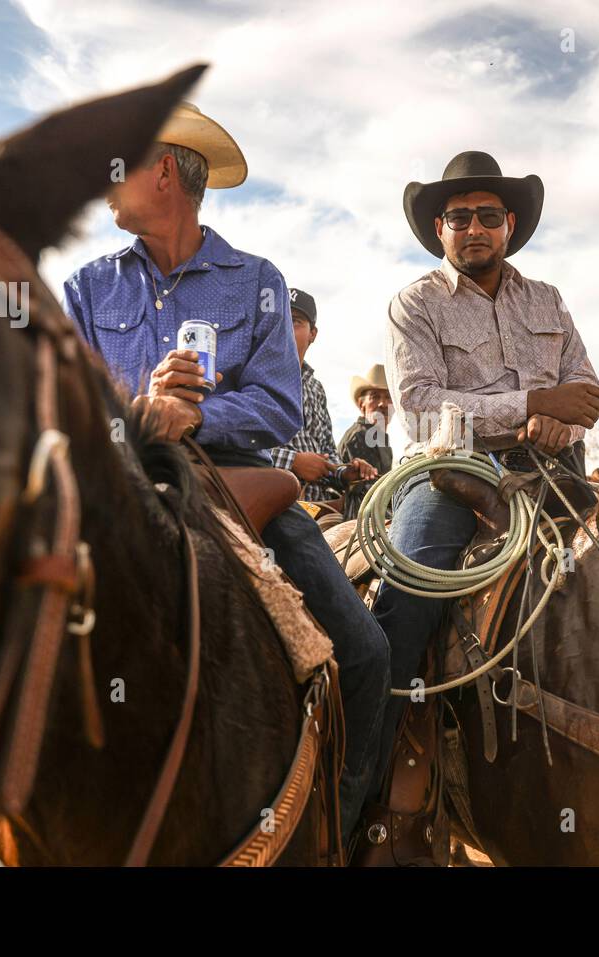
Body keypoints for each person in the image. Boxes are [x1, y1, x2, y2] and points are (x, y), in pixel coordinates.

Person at [60, 102, 388, 836]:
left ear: (165, 172)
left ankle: (340, 829)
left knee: (366, 652)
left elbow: (277, 405)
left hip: (238, 487)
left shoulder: (257, 282)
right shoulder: (86, 287)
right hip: (118, 479)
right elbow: (64, 406)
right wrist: (140, 412)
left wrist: (197, 416)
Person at [373, 150, 599, 793]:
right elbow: (420, 409)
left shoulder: (549, 300)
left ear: (508, 224)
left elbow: (584, 384)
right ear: (440, 230)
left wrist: (563, 419)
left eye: (486, 215)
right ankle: (366, 784)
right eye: (457, 217)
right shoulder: (414, 304)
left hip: (553, 471)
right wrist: (533, 404)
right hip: (451, 474)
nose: (472, 228)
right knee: (404, 603)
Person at [269, 288, 378, 507]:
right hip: (275, 501)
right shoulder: (254, 378)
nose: (286, 329)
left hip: (322, 504)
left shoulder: (315, 388)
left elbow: (327, 451)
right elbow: (237, 447)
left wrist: (344, 472)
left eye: (297, 321)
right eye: (280, 320)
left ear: (313, 334)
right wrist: (293, 462)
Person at [337, 364, 393, 520]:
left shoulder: (379, 439)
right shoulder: (360, 436)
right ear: (362, 405)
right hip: (362, 516)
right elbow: (369, 492)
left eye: (388, 397)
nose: (383, 404)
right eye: (375, 397)